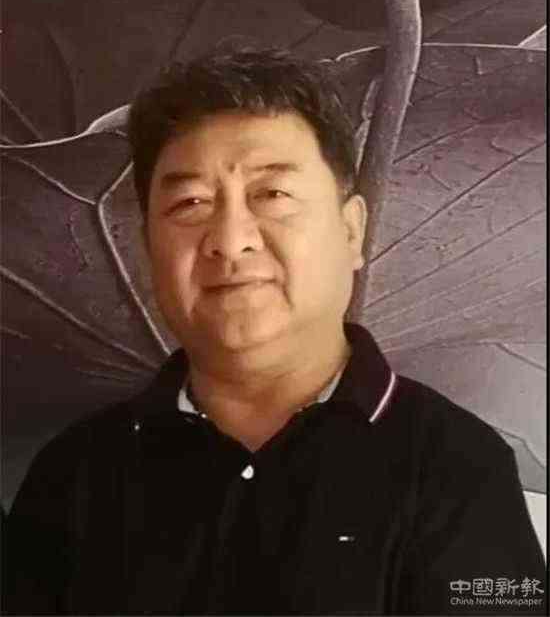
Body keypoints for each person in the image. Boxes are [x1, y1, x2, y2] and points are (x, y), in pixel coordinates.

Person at [3, 48, 546, 616]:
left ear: (352, 231)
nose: (230, 239)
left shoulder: (460, 467)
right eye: (190, 203)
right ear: (147, 248)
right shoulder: (74, 476)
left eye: (272, 195)